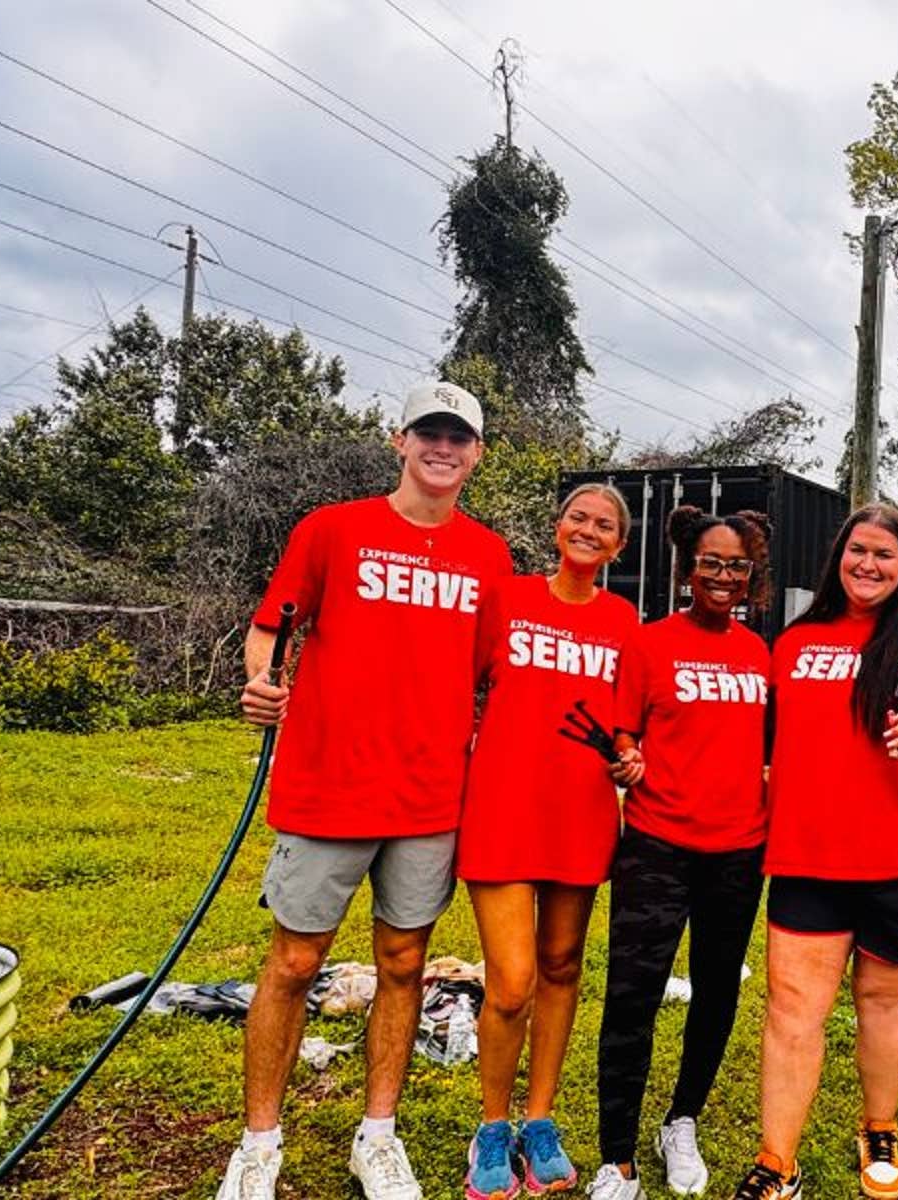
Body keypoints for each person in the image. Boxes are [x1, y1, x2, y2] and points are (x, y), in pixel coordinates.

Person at [219, 381, 512, 1200]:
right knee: (294, 961)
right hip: (328, 786)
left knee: (404, 961)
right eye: (429, 432)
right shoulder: (333, 529)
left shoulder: (486, 555)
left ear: (477, 453)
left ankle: (377, 1136)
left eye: (459, 438)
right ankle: (258, 1144)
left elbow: (497, 673)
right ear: (400, 439)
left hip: (429, 797)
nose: (442, 449)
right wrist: (258, 681)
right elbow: (270, 624)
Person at [725, 504, 898, 1200]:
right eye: (857, 551)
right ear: (837, 559)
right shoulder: (796, 640)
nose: (868, 565)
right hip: (810, 856)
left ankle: (879, 1125)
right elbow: (770, 740)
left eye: (885, 554)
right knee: (792, 1009)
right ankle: (776, 1160)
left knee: (885, 1002)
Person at [458, 482, 642, 1200]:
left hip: (581, 812)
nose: (588, 531)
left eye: (603, 526)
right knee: (510, 983)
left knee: (562, 964)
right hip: (503, 808)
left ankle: (540, 1120)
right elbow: (458, 684)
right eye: (578, 518)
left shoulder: (623, 620)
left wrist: (630, 756)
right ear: (557, 526)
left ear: (618, 546)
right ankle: (492, 1128)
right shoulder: (506, 599)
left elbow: (625, 724)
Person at [590, 505, 776, 1200]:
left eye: (737, 565)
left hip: (739, 850)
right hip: (657, 846)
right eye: (711, 563)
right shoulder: (649, 643)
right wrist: (626, 756)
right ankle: (619, 1158)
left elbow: (767, 748)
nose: (723, 576)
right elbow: (623, 733)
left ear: (752, 573)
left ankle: (682, 1121)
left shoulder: (759, 652)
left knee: (717, 994)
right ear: (687, 568)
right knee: (632, 998)